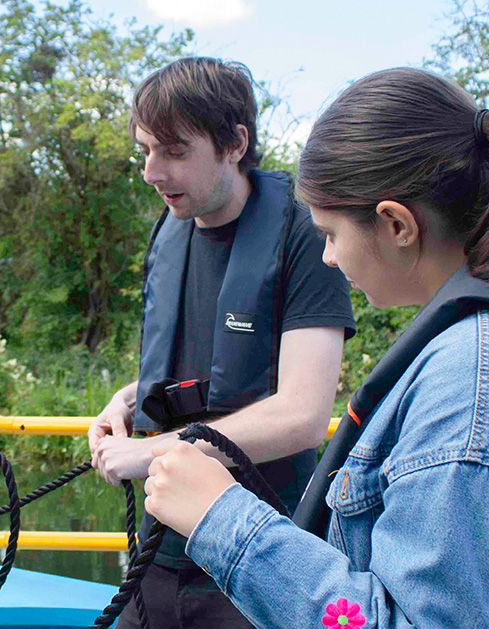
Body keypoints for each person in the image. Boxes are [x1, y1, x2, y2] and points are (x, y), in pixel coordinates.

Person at [143, 67, 489, 628]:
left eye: (331, 234)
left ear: (397, 225)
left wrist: (220, 517)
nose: (329, 257)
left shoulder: (481, 390)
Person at [87, 57, 356, 628]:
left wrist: (149, 451)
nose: (151, 172)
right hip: (157, 554)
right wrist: (127, 401)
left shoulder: (305, 234)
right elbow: (201, 375)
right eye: (145, 150)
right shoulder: (170, 230)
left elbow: (303, 415)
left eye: (174, 151)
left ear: (235, 143)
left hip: (256, 557)